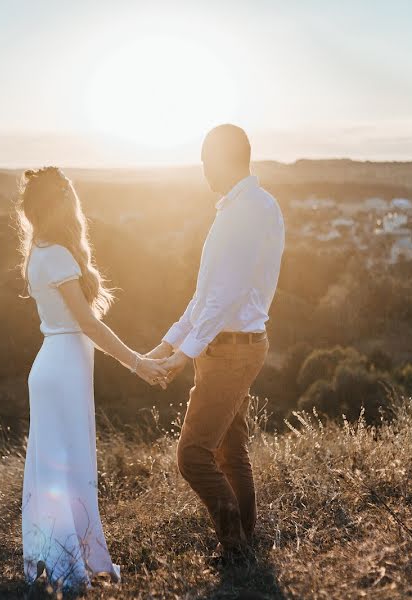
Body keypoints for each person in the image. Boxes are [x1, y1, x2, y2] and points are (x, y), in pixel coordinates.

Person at [16, 167, 166, 588]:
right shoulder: (59, 256)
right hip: (63, 367)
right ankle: (70, 569)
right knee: (70, 468)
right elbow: (91, 326)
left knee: (54, 470)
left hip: (52, 366)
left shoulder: (39, 253)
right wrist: (138, 363)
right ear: (63, 204)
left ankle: (60, 561)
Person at [147, 124, 285, 562]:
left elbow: (224, 298)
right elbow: (204, 295)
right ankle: (246, 546)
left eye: (206, 159)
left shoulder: (249, 210)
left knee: (192, 456)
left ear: (225, 159)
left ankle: (234, 547)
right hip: (227, 346)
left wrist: (183, 354)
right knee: (229, 449)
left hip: (233, 348)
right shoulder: (235, 208)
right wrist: (168, 344)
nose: (202, 169)